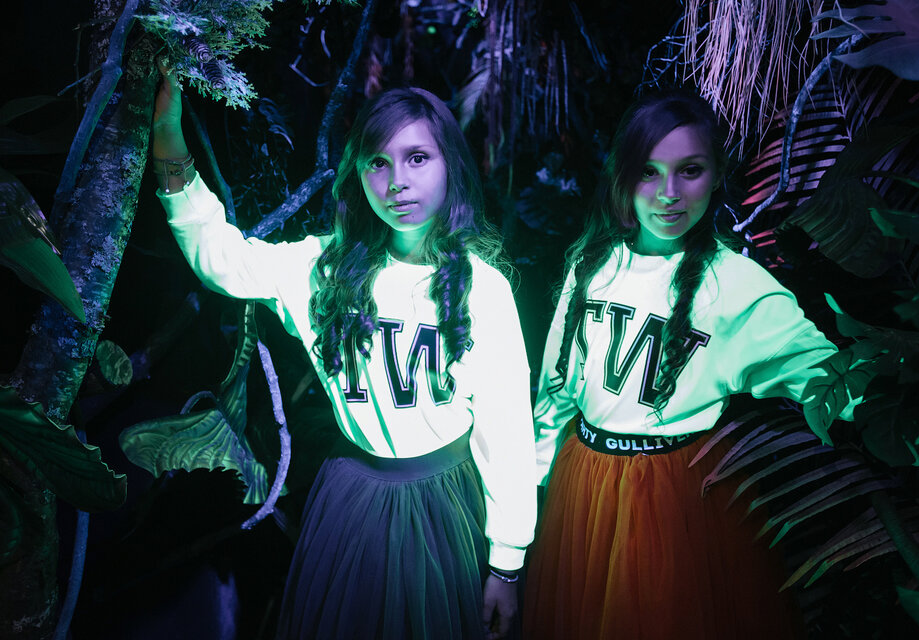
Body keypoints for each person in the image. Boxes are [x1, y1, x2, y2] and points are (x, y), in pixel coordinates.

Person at [151, 70, 536, 640]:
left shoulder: (483, 289)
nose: (397, 182)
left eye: (417, 158)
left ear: (451, 165)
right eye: (378, 162)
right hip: (352, 493)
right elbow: (220, 259)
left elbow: (506, 433)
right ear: (357, 172)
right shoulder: (321, 270)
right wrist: (167, 137)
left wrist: (507, 561)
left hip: (442, 498)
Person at [522, 89, 853, 639]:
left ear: (717, 173)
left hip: (677, 495)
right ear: (623, 176)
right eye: (648, 172)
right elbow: (557, 390)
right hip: (583, 487)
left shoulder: (738, 286)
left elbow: (833, 379)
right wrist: (529, 493)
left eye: (690, 171)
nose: (668, 194)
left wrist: (914, 404)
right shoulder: (591, 265)